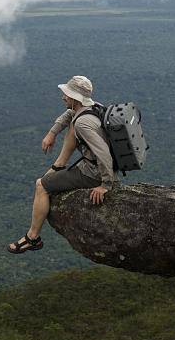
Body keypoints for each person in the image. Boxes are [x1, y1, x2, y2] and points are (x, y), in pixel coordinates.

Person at [7, 75, 119, 254]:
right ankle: (59, 165)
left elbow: (103, 153)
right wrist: (52, 133)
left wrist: (105, 185)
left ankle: (32, 238)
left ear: (75, 98)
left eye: (66, 94)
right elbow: (69, 114)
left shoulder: (83, 123)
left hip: (92, 174)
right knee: (73, 124)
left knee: (41, 185)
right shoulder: (92, 107)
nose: (63, 97)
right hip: (94, 166)